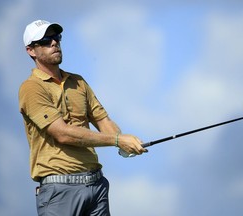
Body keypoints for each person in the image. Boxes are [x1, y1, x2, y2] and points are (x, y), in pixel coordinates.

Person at [19, 19, 147, 216]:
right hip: (59, 191)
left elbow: (103, 121)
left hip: (96, 186)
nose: (54, 43)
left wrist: (124, 143)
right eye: (45, 40)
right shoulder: (31, 88)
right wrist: (117, 140)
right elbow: (62, 133)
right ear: (31, 51)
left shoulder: (78, 82)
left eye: (56, 37)